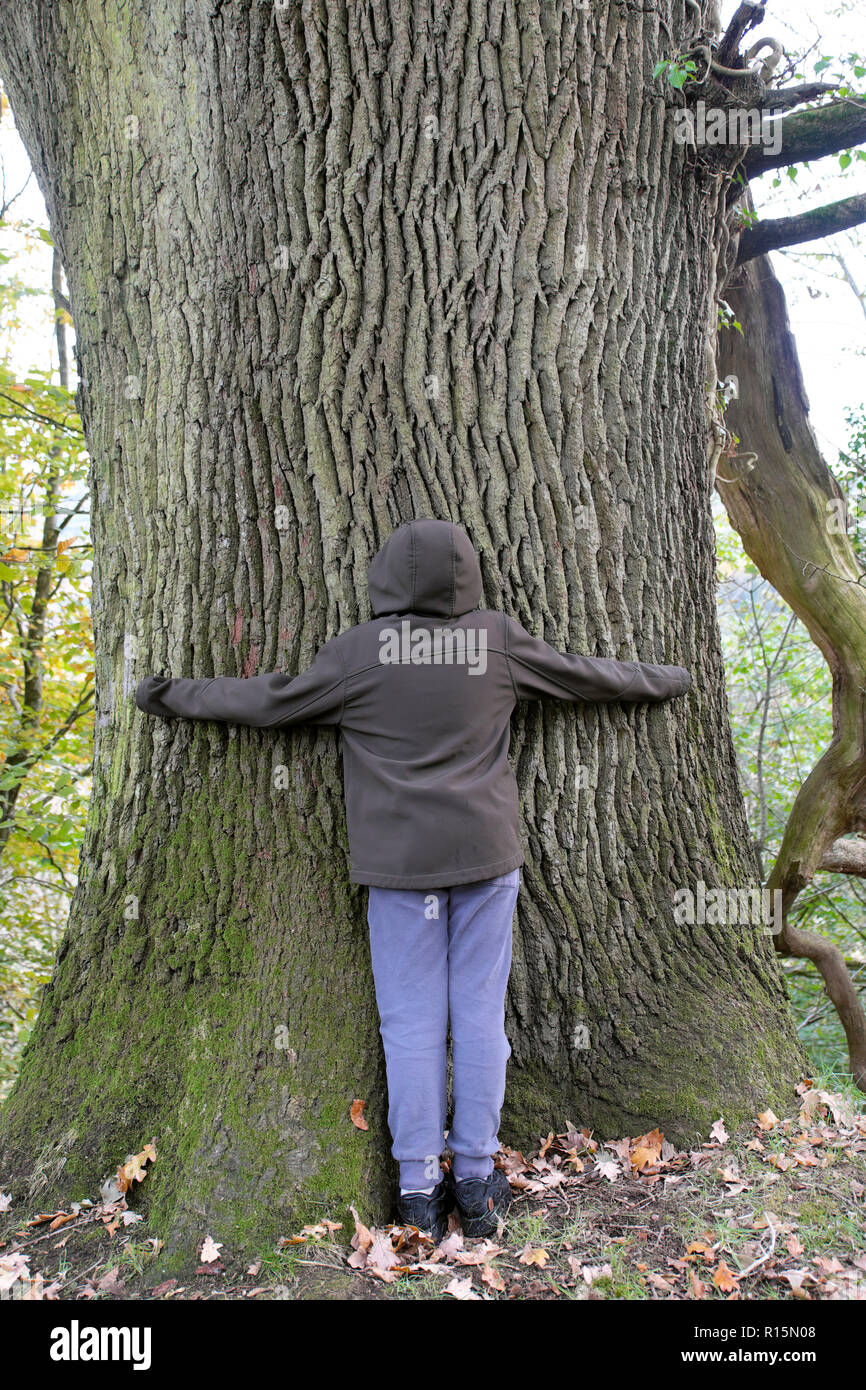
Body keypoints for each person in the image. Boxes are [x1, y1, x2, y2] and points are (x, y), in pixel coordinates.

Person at [136, 517, 691, 1240]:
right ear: (468, 576)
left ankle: (419, 1191)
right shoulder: (494, 639)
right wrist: (671, 679)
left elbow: (265, 702)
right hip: (485, 861)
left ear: (386, 578)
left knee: (411, 1024)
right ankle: (477, 1181)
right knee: (480, 1019)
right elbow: (589, 677)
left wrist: (169, 694)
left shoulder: (359, 654)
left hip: (402, 873)